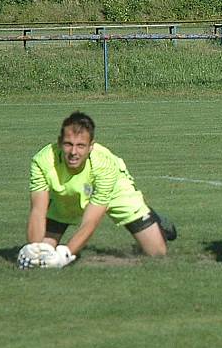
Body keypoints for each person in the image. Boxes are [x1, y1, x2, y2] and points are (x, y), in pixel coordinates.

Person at [17, 111, 176, 269]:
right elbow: (38, 211)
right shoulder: (42, 161)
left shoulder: (104, 165)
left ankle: (154, 219)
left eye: (81, 146)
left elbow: (90, 222)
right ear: (59, 143)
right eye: (68, 144)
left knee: (157, 252)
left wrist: (65, 255)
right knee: (44, 250)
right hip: (65, 197)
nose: (73, 152)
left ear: (91, 146)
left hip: (115, 190)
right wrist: (33, 250)